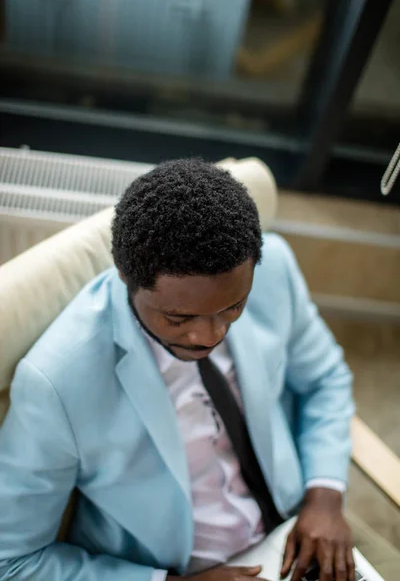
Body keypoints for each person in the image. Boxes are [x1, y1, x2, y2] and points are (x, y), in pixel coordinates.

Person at [0, 159, 355, 581]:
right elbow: (13, 560)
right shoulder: (56, 381)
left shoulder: (273, 267)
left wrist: (326, 496)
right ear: (124, 276)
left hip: (297, 530)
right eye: (179, 318)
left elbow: (325, 380)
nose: (209, 335)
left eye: (232, 307)